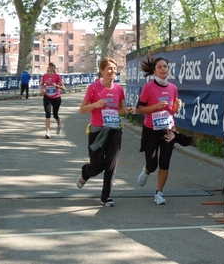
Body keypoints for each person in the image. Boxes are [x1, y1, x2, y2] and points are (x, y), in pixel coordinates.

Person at [76, 57, 135, 207]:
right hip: (97, 131)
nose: (113, 71)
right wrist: (95, 104)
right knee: (97, 167)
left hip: (114, 130)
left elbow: (119, 110)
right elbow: (82, 109)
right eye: (109, 68)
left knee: (111, 164)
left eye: (115, 69)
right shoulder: (94, 88)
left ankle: (106, 196)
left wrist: (127, 110)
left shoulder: (119, 89)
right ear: (102, 71)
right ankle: (85, 172)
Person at [136, 56, 182, 205]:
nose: (163, 69)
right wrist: (155, 107)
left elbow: (171, 111)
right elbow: (140, 109)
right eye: (160, 67)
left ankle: (159, 193)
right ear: (154, 71)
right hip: (151, 130)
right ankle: (147, 170)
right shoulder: (148, 87)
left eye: (165, 67)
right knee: (152, 163)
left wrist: (176, 108)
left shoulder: (173, 88)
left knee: (165, 163)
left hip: (168, 129)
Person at [39, 62, 66, 139]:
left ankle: (59, 124)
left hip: (56, 97)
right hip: (47, 97)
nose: (50, 68)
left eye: (52, 67)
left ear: (54, 68)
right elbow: (41, 85)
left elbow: (64, 87)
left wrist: (57, 85)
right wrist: (42, 90)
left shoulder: (57, 76)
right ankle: (47, 133)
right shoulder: (44, 76)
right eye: (49, 66)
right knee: (47, 114)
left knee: (55, 114)